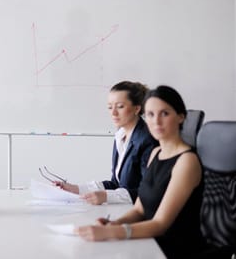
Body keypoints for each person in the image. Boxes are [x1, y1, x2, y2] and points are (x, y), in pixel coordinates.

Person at [76, 85, 206, 258]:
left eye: (164, 114)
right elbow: (139, 210)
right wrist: (113, 224)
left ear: (181, 117)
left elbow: (161, 224)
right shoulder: (155, 153)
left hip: (174, 247)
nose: (156, 121)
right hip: (150, 239)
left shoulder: (187, 161)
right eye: (150, 114)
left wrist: (111, 233)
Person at [55, 81, 158, 205]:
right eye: (110, 107)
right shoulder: (120, 136)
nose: (113, 113)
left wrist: (106, 196)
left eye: (120, 106)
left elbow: (149, 192)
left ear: (137, 108)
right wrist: (75, 189)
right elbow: (115, 183)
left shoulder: (147, 140)